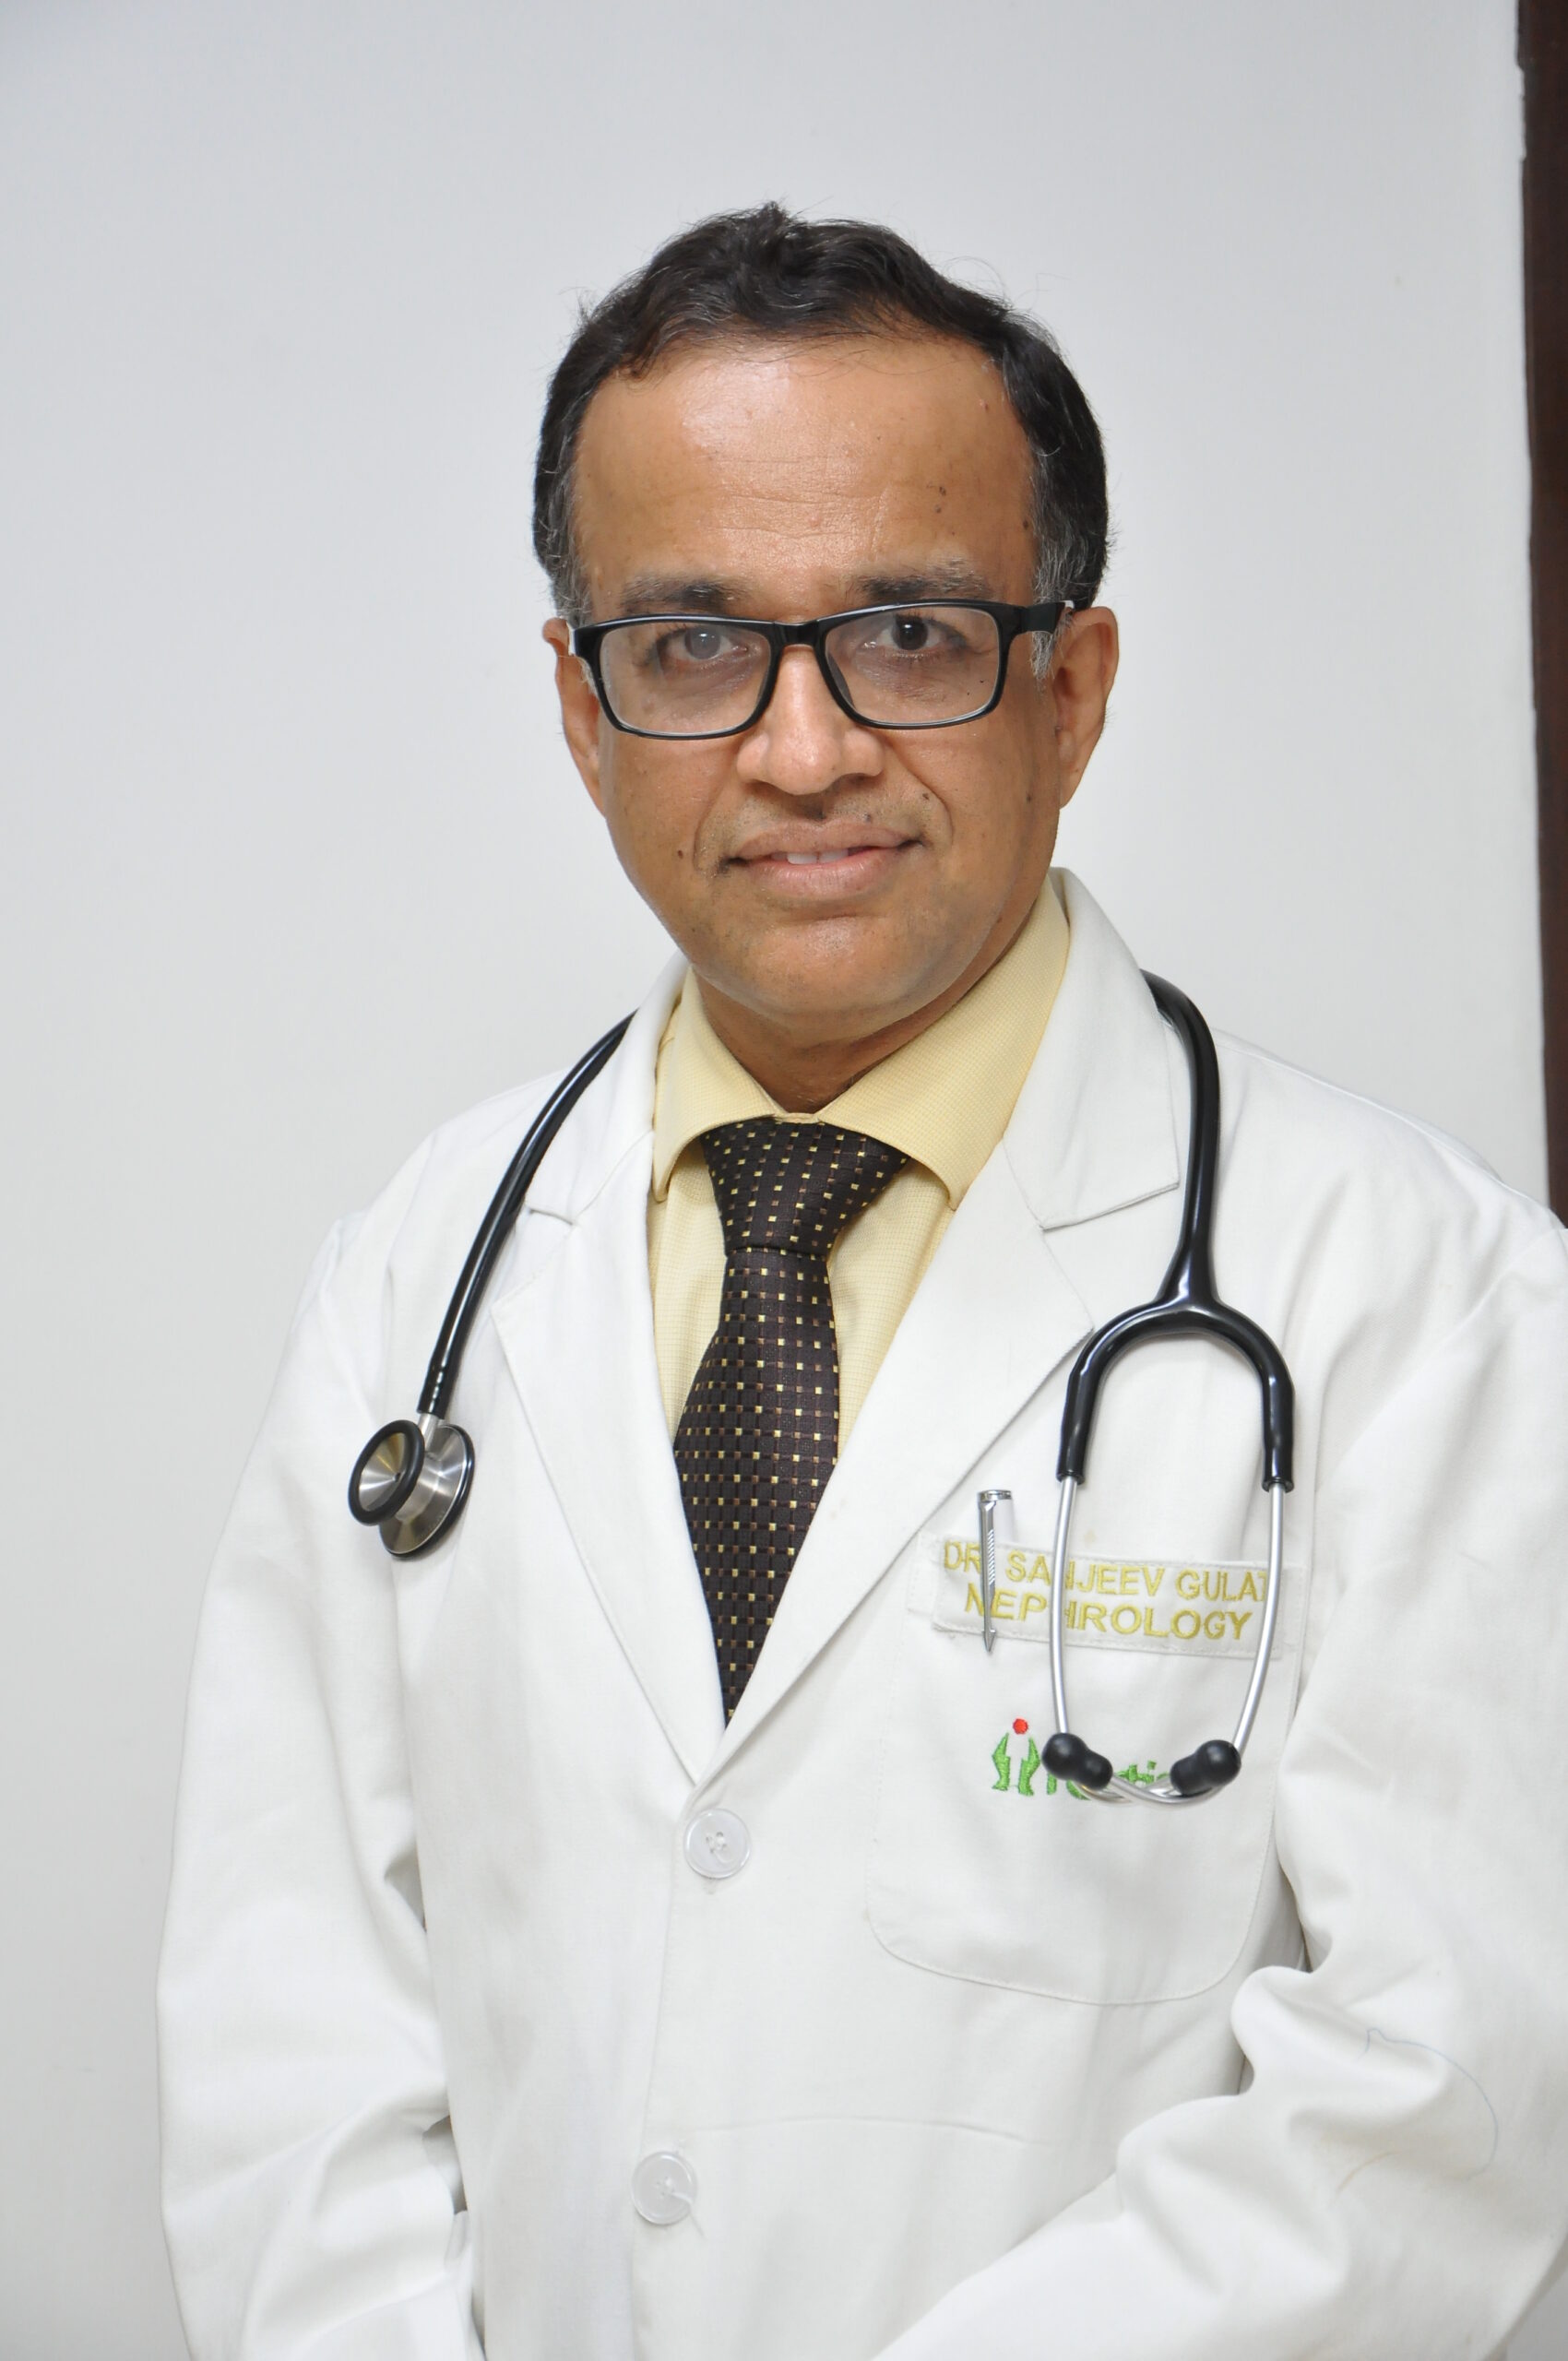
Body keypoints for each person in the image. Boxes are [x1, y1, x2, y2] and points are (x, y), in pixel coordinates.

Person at [158, 205, 1568, 2360]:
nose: (802, 748)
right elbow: (291, 2034)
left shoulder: (1423, 1301)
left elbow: (1437, 2105)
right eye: (690, 644)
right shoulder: (416, 1278)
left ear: (1070, 687)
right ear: (581, 709)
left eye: (907, 633)